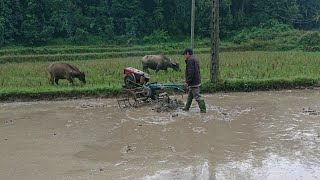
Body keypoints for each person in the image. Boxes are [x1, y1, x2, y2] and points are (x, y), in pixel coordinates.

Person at [181, 48, 206, 113]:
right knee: (190, 96)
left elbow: (191, 72)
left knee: (197, 97)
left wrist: (187, 82)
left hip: (194, 82)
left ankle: (203, 111)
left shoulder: (190, 60)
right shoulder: (194, 58)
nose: (184, 56)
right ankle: (186, 108)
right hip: (195, 80)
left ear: (188, 53)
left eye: (184, 54)